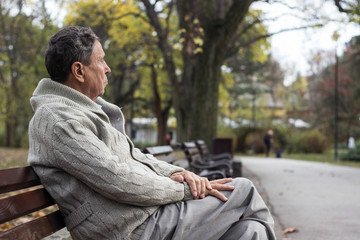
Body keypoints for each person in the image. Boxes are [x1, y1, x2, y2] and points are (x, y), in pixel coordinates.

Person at [28, 26, 276, 240]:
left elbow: (135, 156)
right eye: (101, 60)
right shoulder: (59, 120)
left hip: (141, 216)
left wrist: (179, 172)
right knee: (243, 190)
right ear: (79, 71)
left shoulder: (80, 110)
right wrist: (186, 190)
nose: (108, 68)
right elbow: (116, 178)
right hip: (129, 229)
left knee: (250, 231)